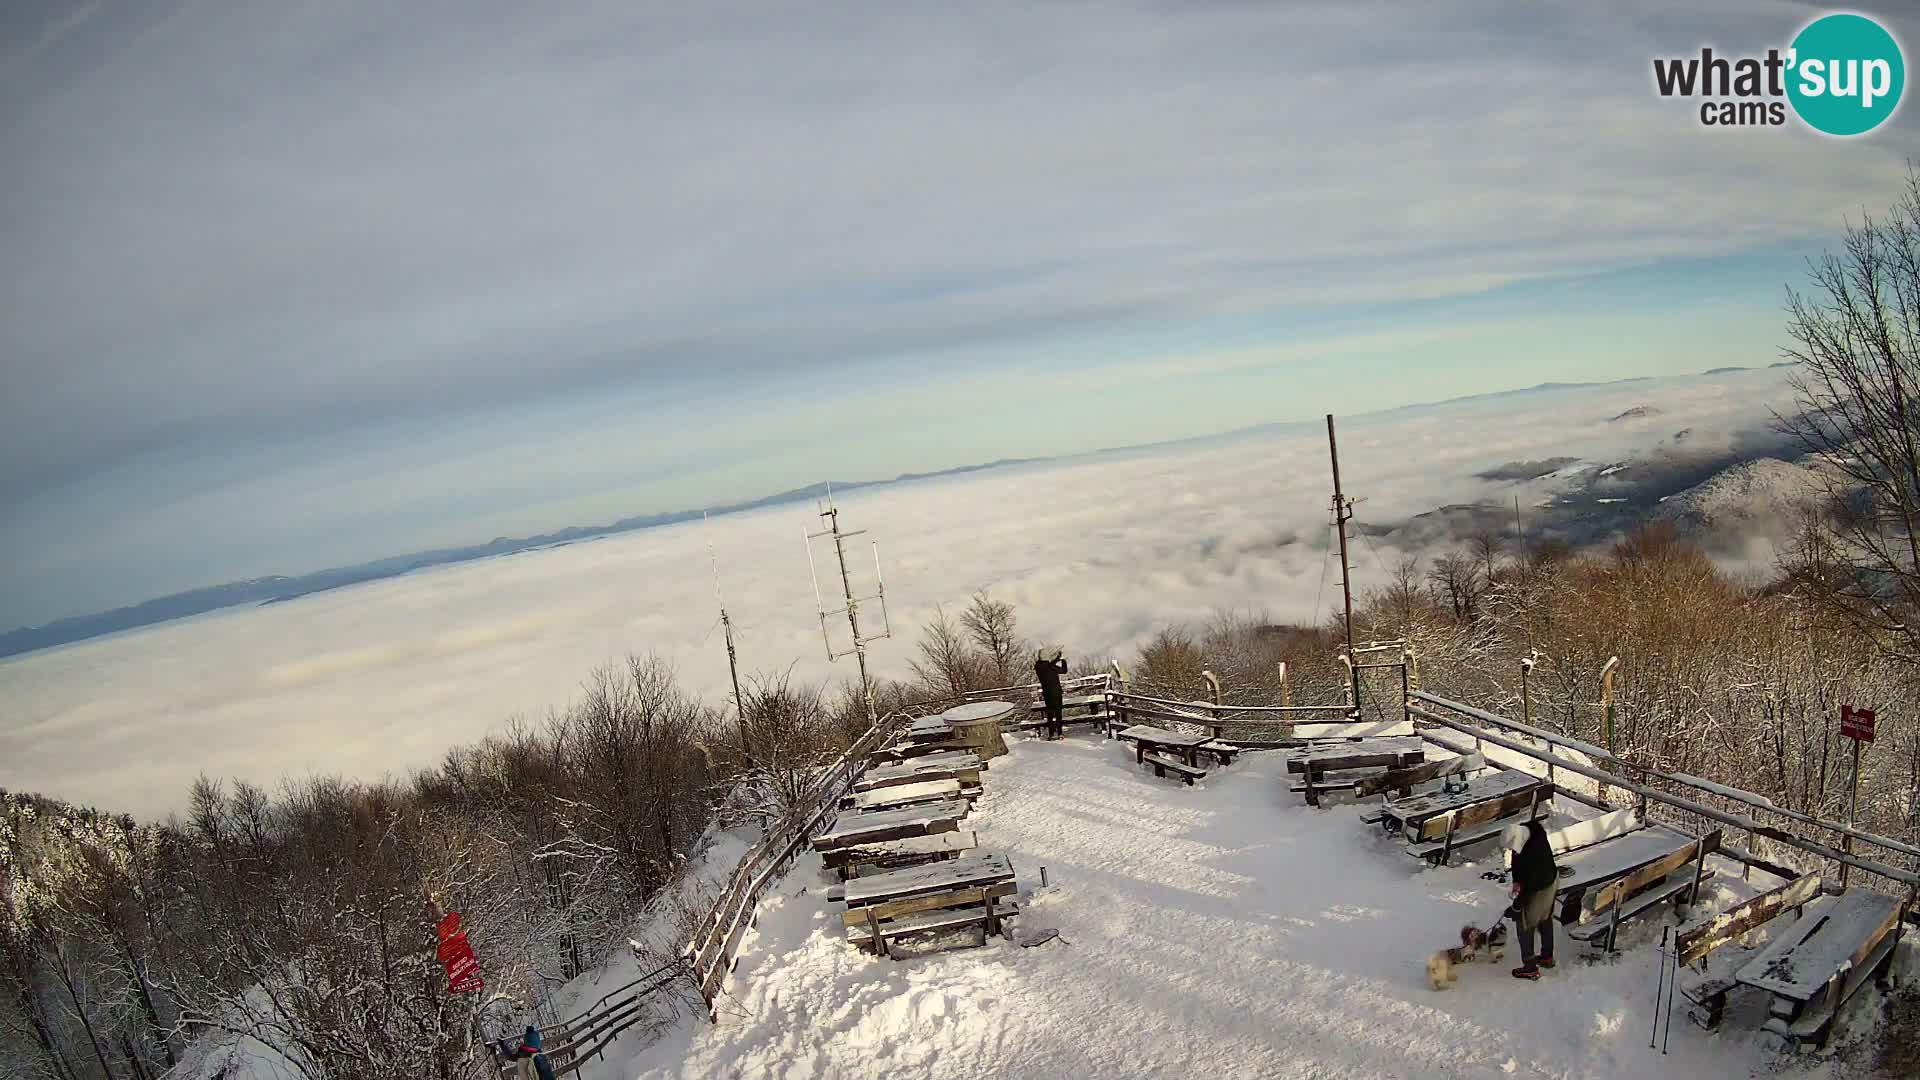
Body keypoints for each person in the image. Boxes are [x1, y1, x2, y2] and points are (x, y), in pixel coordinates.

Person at [1501, 818, 1557, 979]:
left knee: (1525, 924)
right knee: (1544, 916)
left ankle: (1530, 967)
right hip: (1545, 880)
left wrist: (1517, 906)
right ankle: (1547, 957)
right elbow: (1517, 859)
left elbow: (1532, 885)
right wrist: (1517, 880)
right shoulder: (1525, 832)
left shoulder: (1535, 850)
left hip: (1543, 885)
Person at [1035, 648, 1068, 740]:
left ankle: (1051, 733)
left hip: (1046, 693)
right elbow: (1064, 670)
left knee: (1050, 713)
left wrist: (1056, 658)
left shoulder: (1038, 667)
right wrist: (1063, 660)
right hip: (1056, 692)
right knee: (1058, 713)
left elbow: (1049, 664)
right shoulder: (1051, 667)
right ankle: (1060, 733)